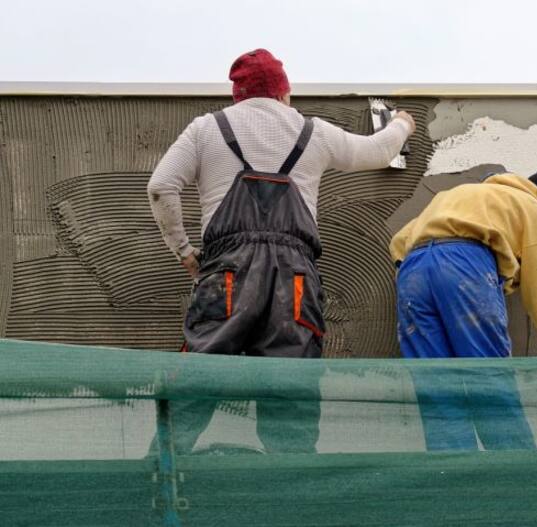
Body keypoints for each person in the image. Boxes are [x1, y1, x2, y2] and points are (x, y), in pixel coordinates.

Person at [146, 48, 414, 453]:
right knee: (291, 395)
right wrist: (402, 126)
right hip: (295, 282)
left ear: (238, 95)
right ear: (285, 93)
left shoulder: (206, 129)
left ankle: (158, 482)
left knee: (195, 385)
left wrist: (185, 253)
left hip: (227, 275)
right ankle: (289, 498)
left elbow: (161, 187)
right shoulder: (315, 132)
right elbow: (376, 151)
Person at [389, 166, 537, 450]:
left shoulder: (461, 193)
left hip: (412, 273)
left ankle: (455, 479)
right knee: (489, 382)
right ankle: (514, 477)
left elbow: (400, 240)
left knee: (437, 392)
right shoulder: (534, 211)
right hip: (464, 267)